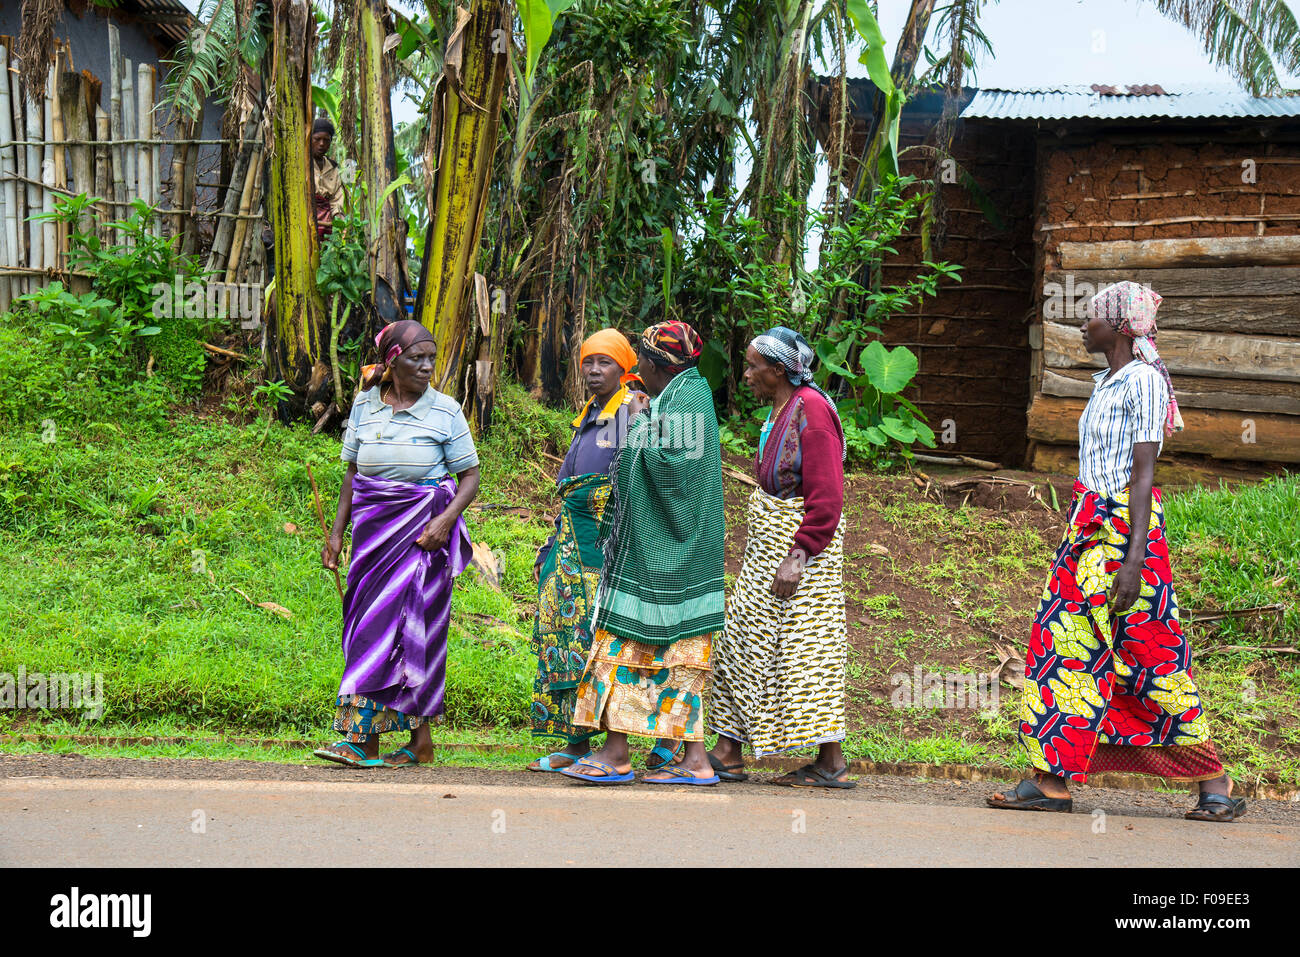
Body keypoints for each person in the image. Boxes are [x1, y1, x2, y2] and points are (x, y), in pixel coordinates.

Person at [987, 281, 1243, 822]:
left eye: (1092, 319)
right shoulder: (1108, 380)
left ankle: (1213, 782)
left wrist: (1134, 561)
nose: (1083, 326)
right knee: (1064, 646)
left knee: (1150, 655)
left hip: (1126, 535)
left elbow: (1145, 476)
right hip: (1086, 531)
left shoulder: (1144, 382)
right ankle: (1052, 778)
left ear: (1121, 327)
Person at [561, 321, 727, 785]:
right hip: (676, 555)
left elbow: (673, 472)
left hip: (666, 556)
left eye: (643, 368)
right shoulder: (684, 394)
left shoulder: (685, 401)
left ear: (655, 366)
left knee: (617, 649)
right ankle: (693, 760)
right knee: (680, 658)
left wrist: (637, 424)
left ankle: (617, 754)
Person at [314, 319, 480, 768]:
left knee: (413, 633)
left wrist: (446, 522)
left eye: (431, 357)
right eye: (416, 358)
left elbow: (470, 477)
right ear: (392, 361)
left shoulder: (445, 411)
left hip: (422, 539)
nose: (427, 366)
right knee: (366, 630)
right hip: (372, 540)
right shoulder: (365, 406)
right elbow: (352, 475)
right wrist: (335, 534)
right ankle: (419, 744)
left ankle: (362, 742)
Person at [527, 329, 682, 773]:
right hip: (572, 545)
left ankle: (660, 738)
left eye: (605, 364)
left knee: (613, 645)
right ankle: (576, 742)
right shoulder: (590, 413)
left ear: (624, 368)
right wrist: (552, 546)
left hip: (608, 549)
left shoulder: (630, 411)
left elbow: (645, 479)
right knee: (565, 640)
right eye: (588, 363)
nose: (595, 371)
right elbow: (571, 487)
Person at [706, 327, 852, 787]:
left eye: (753, 367)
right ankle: (728, 750)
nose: (746, 375)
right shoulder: (783, 408)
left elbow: (827, 496)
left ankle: (830, 761)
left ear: (779, 369)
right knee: (744, 638)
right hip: (771, 540)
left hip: (801, 549)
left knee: (807, 649)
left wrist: (800, 554)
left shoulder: (813, 411)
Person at [311, 116, 345, 241]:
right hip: (306, 219)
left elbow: (336, 200)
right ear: (309, 139)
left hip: (327, 224)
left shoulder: (334, 168)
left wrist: (340, 223)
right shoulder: (302, 164)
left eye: (326, 140)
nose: (321, 144)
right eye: (317, 139)